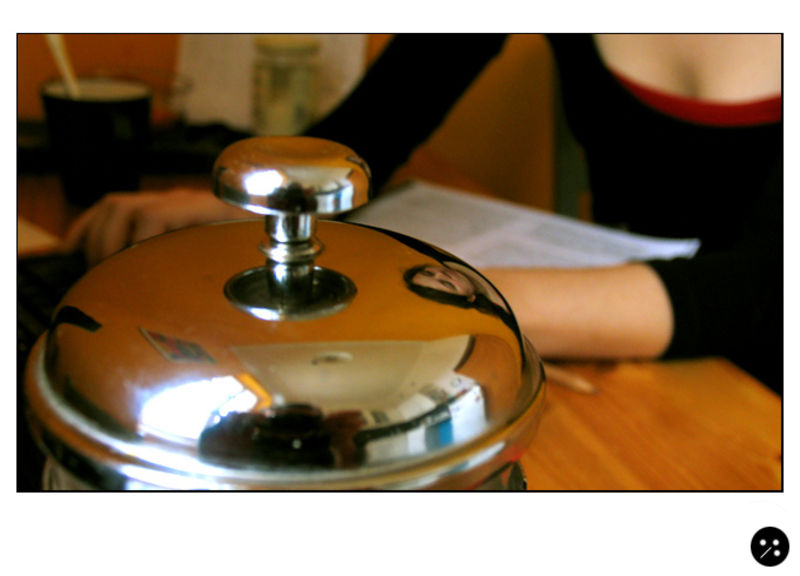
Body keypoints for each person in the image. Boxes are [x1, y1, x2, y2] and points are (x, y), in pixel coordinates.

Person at [62, 34, 783, 392]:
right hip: (637, 367)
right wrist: (250, 203)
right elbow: (379, 124)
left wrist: (414, 300)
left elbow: (765, 287)